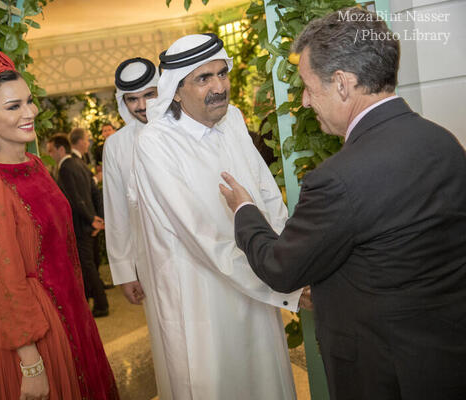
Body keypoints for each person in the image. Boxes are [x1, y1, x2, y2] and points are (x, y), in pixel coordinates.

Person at [219, 7, 466, 400]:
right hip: (446, 359)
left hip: (382, 373)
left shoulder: (337, 178)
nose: (303, 100)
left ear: (342, 84)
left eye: (307, 86)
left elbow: (281, 268)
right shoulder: (444, 143)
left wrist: (244, 210)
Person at [130, 34, 306, 400]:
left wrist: (290, 260)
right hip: (202, 297)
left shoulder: (234, 119)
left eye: (222, 74)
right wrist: (282, 281)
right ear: (176, 91)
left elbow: (266, 194)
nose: (219, 87)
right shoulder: (155, 143)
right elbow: (200, 234)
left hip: (258, 280)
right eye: (203, 78)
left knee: (267, 380)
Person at [0, 49, 119, 400]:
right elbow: (5, 282)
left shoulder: (37, 166)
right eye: (14, 106)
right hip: (41, 331)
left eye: (29, 101)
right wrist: (32, 364)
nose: (30, 113)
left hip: (72, 309)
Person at [102, 57, 173, 397]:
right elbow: (116, 213)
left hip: (200, 254)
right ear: (123, 102)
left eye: (150, 94)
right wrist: (124, 271)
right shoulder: (116, 145)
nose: (142, 106)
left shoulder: (185, 127)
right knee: (169, 340)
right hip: (151, 262)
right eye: (133, 99)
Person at [46, 132, 109, 317]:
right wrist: (97, 217)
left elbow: (74, 199)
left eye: (51, 150)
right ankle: (94, 299)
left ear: (61, 149)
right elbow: (93, 191)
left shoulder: (66, 167)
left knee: (87, 266)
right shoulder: (79, 164)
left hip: (80, 225)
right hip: (87, 223)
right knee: (88, 265)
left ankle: (101, 304)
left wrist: (92, 219)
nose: (50, 154)